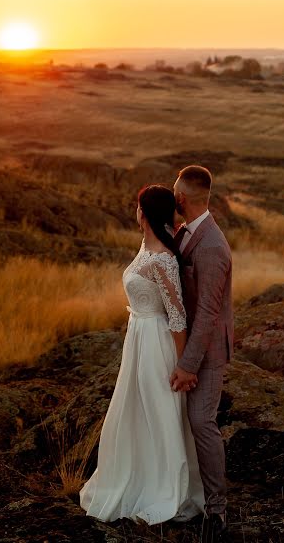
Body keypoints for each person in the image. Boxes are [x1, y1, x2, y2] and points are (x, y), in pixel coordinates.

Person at [80, 184, 204, 525]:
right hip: (138, 338)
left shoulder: (163, 257)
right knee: (135, 410)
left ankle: (164, 488)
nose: (134, 213)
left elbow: (177, 317)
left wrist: (184, 366)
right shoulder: (146, 247)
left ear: (143, 212)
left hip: (155, 342)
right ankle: (134, 475)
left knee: (157, 410)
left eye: (137, 208)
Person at [170, 165, 234, 541]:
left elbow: (208, 313)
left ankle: (217, 512)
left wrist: (187, 364)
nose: (173, 197)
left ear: (184, 197)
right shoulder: (185, 232)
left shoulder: (211, 245)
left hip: (206, 351)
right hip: (188, 344)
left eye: (175, 192)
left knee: (201, 423)